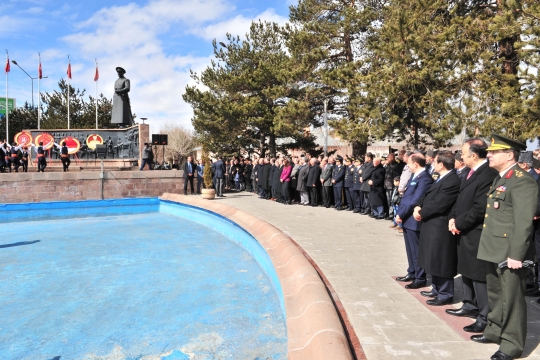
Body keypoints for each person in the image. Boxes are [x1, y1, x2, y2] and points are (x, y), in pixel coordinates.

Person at [471, 134, 538, 360]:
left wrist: (516, 254)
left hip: (510, 251)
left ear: (509, 155)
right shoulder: (502, 177)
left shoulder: (522, 180)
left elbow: (523, 221)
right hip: (494, 247)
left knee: (512, 299)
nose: (488, 154)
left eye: (493, 152)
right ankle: (495, 329)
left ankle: (511, 344)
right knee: (496, 294)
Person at [447, 139, 498, 333]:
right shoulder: (469, 173)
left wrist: (459, 222)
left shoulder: (488, 174)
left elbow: (480, 208)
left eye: (463, 153)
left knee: (478, 274)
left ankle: (484, 316)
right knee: (466, 269)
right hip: (463, 229)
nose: (461, 157)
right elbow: (460, 200)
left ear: (474, 155)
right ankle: (469, 303)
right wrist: (453, 219)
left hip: (476, 231)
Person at [414, 151, 461, 306]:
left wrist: (422, 212)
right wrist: (418, 206)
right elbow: (427, 196)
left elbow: (441, 203)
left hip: (440, 225)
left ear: (442, 164)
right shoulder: (441, 177)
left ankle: (445, 293)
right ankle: (436, 287)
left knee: (441, 259)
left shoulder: (452, 180)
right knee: (432, 258)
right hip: (431, 223)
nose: (432, 164)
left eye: (434, 162)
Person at [395, 153, 433, 289]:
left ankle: (420, 277)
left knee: (416, 251)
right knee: (410, 250)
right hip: (407, 218)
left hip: (414, 219)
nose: (408, 165)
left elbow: (415, 200)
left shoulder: (425, 178)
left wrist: (401, 213)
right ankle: (412, 272)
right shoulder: (416, 175)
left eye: (409, 163)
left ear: (416, 164)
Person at [384, 153, 401, 219]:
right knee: (388, 200)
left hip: (392, 185)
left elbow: (393, 174)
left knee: (392, 200)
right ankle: (389, 213)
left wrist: (388, 164)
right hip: (387, 185)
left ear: (392, 158)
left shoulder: (395, 165)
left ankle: (391, 214)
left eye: (388, 157)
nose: (387, 159)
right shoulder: (388, 165)